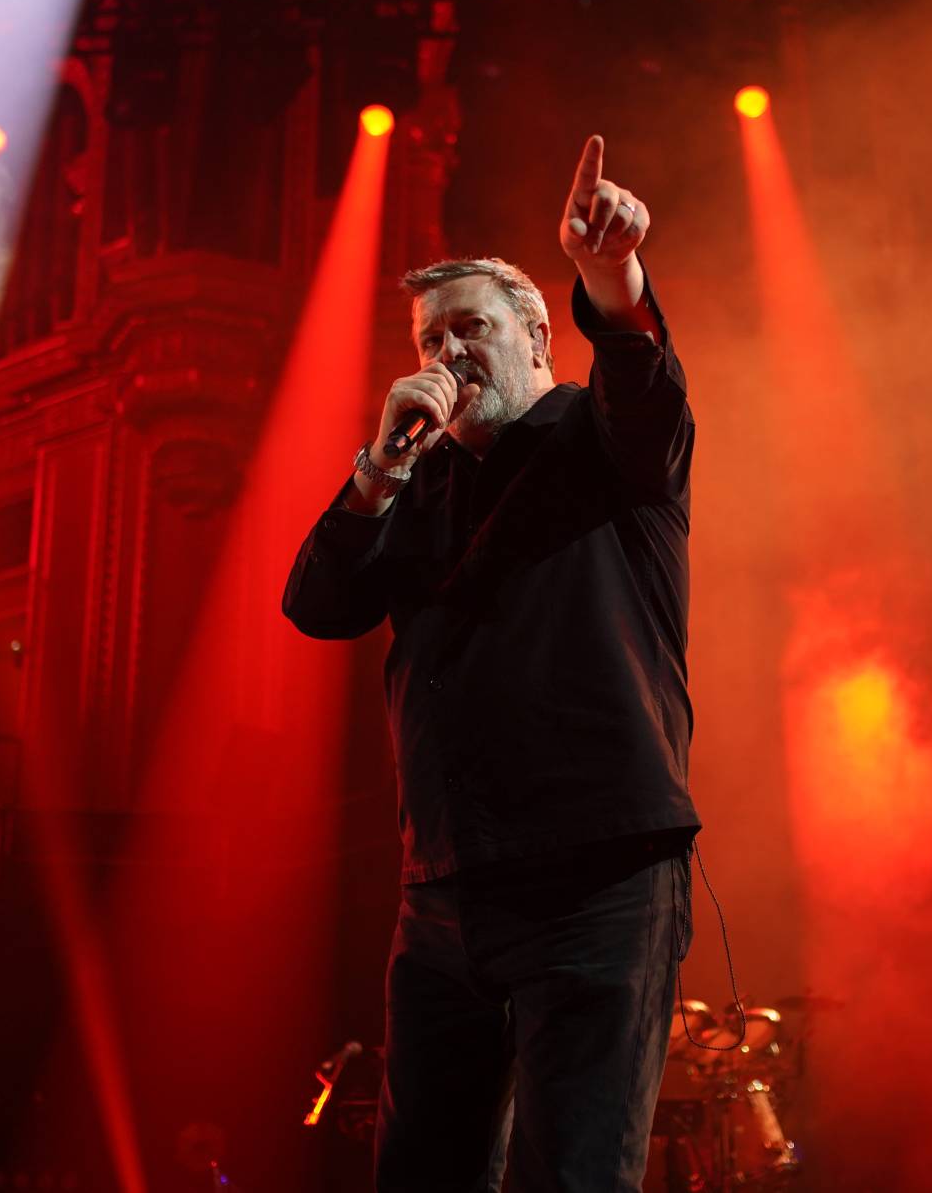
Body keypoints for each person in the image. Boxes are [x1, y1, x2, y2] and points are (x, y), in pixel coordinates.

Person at [284, 136, 699, 1191]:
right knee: (421, 1170)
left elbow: (645, 389)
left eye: (471, 326)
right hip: (443, 890)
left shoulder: (596, 444)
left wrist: (611, 273)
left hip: (595, 871)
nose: (447, 350)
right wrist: (376, 468)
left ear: (537, 340)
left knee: (570, 1173)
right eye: (430, 335)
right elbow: (316, 605)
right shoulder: (415, 487)